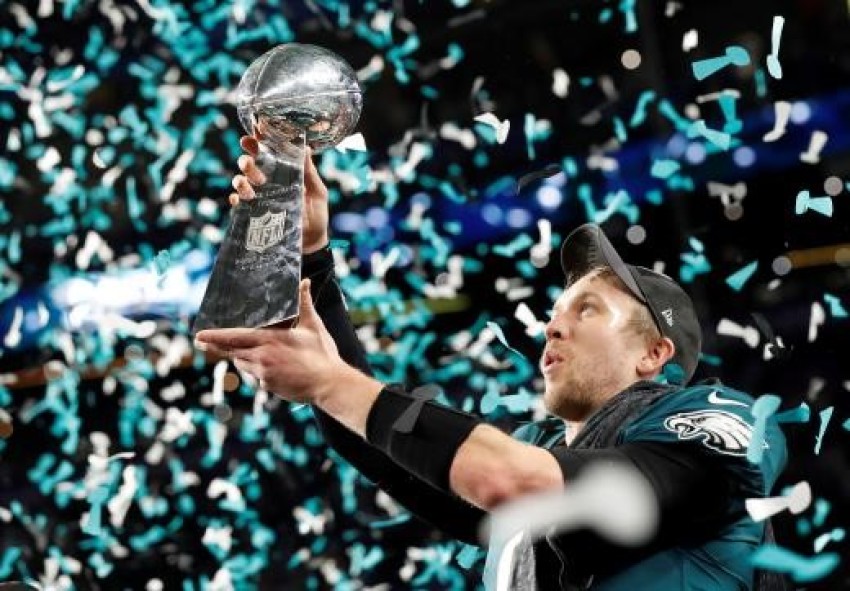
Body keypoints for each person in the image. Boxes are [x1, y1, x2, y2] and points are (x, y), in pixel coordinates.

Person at [194, 136, 788, 590]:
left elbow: (514, 480)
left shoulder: (715, 427)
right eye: (556, 310)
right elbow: (379, 441)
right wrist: (313, 257)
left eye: (587, 310)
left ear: (654, 353)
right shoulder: (537, 452)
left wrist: (331, 380)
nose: (552, 325)